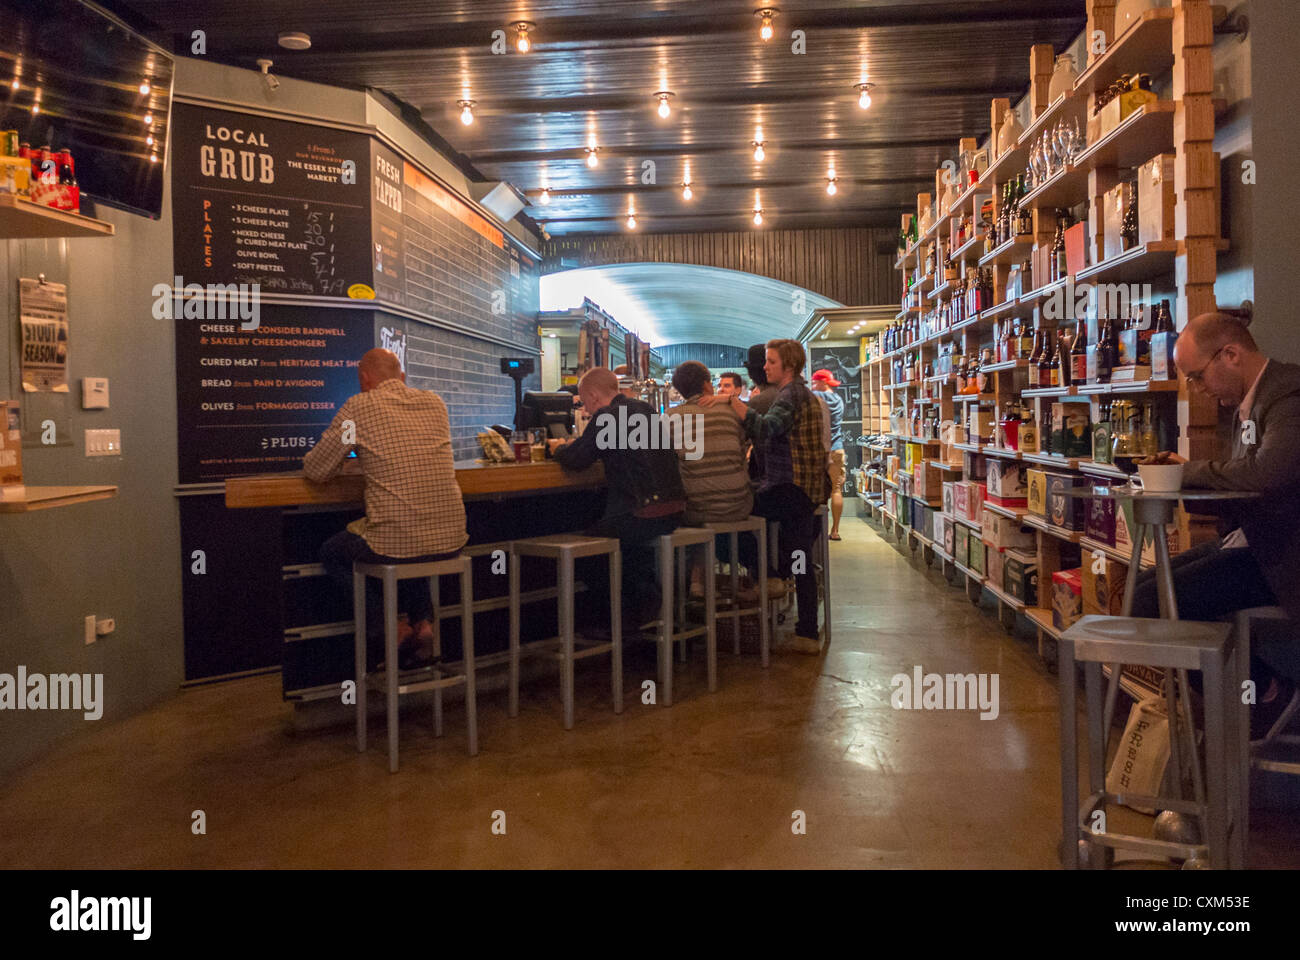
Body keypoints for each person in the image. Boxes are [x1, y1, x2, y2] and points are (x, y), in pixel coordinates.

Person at [1133, 311, 1300, 736]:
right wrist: (1190, 473)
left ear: (1231, 354)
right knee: (1139, 592)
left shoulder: (1288, 395)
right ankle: (1254, 694)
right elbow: (1245, 479)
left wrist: (1184, 475)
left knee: (1155, 603)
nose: (1198, 390)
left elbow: (1265, 477)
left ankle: (1262, 696)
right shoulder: (1252, 402)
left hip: (1281, 556)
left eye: (1197, 377)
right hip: (1254, 544)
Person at [305, 348, 467, 669]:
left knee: (335, 551)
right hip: (452, 538)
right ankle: (424, 624)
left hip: (399, 540)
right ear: (402, 377)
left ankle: (391, 628)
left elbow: (318, 469)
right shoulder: (435, 403)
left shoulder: (359, 407)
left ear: (364, 380)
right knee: (409, 537)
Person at [705, 339, 829, 654]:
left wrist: (733, 402)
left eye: (771, 361)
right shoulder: (802, 393)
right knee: (801, 557)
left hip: (790, 489)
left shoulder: (792, 394)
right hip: (804, 490)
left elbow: (767, 428)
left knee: (727, 514)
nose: (765, 366)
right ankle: (807, 632)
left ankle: (769, 576)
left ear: (787, 366)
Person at [550, 367, 686, 629]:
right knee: (626, 547)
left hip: (642, 512)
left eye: (585, 403)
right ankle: (641, 609)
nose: (586, 409)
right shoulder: (645, 410)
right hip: (674, 510)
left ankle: (627, 616)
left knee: (588, 550)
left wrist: (558, 449)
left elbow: (577, 459)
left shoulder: (606, 417)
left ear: (593, 395)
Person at [670, 361, 756, 597]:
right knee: (710, 501)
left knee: (693, 505)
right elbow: (743, 448)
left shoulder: (672, 417)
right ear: (707, 385)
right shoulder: (731, 412)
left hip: (697, 509)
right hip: (738, 504)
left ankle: (693, 585)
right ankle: (752, 578)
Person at [810, 369, 846, 541]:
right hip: (837, 447)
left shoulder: (815, 396)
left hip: (819, 449)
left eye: (814, 382)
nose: (812, 385)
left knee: (817, 490)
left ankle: (819, 531)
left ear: (823, 382)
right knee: (836, 489)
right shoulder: (839, 400)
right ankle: (835, 530)